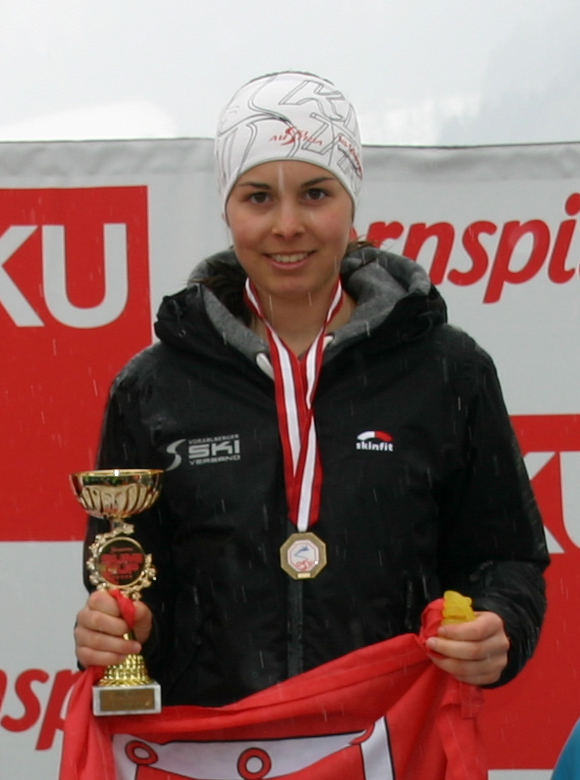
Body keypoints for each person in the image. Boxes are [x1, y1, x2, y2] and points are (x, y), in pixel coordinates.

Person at [74, 71, 549, 708]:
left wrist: (500, 625)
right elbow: (130, 575)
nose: (287, 224)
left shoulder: (447, 369)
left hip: (394, 736)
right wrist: (123, 633)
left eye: (315, 193)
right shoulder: (154, 387)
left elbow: (507, 558)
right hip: (218, 744)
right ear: (228, 211)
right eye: (258, 197)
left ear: (352, 205)